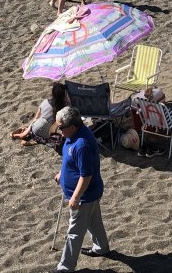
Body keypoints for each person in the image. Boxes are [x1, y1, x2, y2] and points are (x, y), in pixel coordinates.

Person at [53, 106, 111, 271]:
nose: (59, 131)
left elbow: (86, 175)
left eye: (61, 127)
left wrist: (76, 197)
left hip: (85, 196)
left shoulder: (82, 144)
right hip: (88, 195)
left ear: (72, 127)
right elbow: (70, 160)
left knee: (74, 232)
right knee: (94, 220)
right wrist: (62, 173)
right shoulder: (72, 135)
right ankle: (101, 247)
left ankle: (65, 267)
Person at [11, 82, 68, 146]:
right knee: (62, 138)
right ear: (64, 96)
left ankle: (25, 134)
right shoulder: (65, 108)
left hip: (34, 130)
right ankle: (32, 140)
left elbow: (36, 118)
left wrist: (25, 132)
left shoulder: (45, 102)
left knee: (38, 122)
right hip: (45, 135)